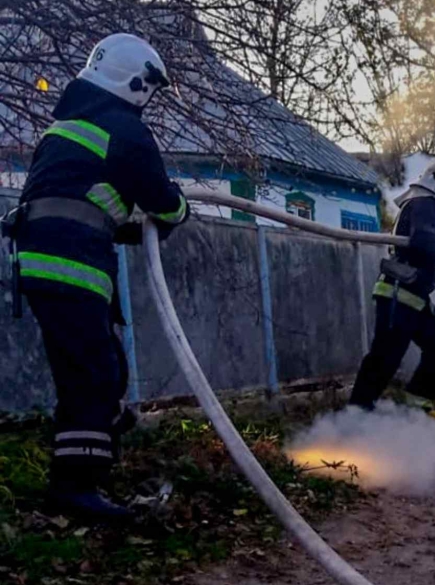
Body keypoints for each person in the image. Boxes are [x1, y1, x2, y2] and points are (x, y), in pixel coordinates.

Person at [7, 33, 190, 521]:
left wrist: (122, 225)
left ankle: (92, 458)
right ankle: (74, 490)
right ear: (136, 83)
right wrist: (179, 210)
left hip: (44, 259)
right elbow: (164, 202)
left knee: (100, 368)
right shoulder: (124, 128)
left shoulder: (66, 126)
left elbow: (78, 197)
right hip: (73, 265)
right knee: (91, 376)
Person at [348, 160, 435, 417]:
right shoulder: (422, 204)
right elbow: (425, 245)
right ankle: (355, 418)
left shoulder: (429, 214)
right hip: (397, 295)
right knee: (385, 359)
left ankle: (415, 411)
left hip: (414, 298)